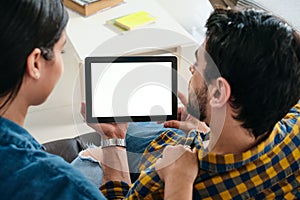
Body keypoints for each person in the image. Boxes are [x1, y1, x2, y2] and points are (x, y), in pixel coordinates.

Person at [85, 8, 300, 199]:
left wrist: (113, 139)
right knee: (143, 124)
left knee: (106, 144)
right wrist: (208, 128)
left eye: (198, 63)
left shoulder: (162, 183)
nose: (191, 69)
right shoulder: (296, 127)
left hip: (171, 158)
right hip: (204, 135)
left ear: (218, 92)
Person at [0, 0, 197, 199]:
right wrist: (179, 183)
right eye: (61, 50)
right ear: (35, 63)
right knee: (93, 156)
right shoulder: (64, 185)